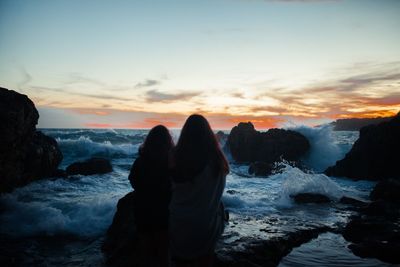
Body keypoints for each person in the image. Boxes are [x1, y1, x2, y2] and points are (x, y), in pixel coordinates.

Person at [169, 114, 229, 267]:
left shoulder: (175, 160)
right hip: (205, 232)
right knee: (220, 207)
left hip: (176, 232)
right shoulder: (218, 162)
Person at [128, 125, 174, 267]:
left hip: (142, 209)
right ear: (168, 141)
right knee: (163, 253)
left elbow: (132, 180)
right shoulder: (170, 161)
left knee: (145, 250)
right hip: (163, 211)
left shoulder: (141, 160)